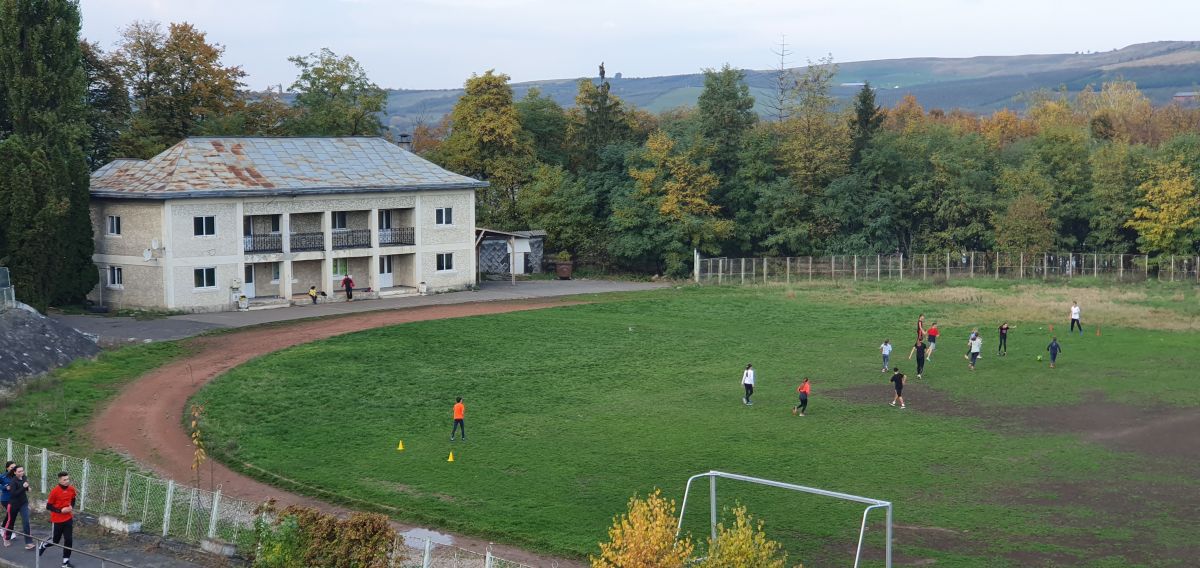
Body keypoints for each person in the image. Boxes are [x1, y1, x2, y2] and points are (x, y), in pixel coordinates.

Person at [38, 471, 76, 566]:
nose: (67, 481)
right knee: (55, 541)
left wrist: (71, 506)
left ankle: (65, 562)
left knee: (69, 540)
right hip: (57, 520)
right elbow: (49, 506)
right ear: (60, 480)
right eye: (65, 480)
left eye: (68, 479)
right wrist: (60, 511)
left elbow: (73, 499)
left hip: (68, 518)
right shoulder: (55, 491)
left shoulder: (71, 489)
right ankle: (44, 544)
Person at [3, 465, 32, 550]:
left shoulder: (24, 477)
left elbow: (25, 487)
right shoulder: (13, 482)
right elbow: (14, 494)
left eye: (22, 471)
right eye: (19, 471)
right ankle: (6, 538)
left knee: (26, 522)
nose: (21, 473)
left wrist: (27, 488)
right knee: (11, 522)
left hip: (23, 503)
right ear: (15, 472)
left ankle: (29, 542)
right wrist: (24, 487)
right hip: (13, 504)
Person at [1, 461, 13, 547]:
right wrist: (5, 487)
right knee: (11, 514)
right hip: (6, 499)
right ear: (7, 468)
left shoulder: (17, 475)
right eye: (12, 467)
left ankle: (3, 528)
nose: (13, 469)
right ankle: (6, 532)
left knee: (10, 515)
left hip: (15, 499)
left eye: (14, 467)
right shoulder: (3, 476)